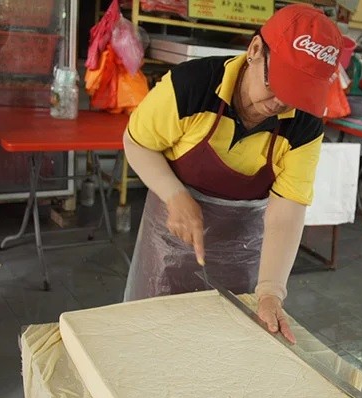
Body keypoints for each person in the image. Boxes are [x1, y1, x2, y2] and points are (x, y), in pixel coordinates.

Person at [122, 4, 344, 344]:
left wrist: (271, 292)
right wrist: (174, 194)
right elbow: (137, 143)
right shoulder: (191, 85)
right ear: (255, 50)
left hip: (241, 249)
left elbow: (287, 210)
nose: (280, 102)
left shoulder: (304, 127)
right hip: (171, 237)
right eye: (277, 83)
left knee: (224, 344)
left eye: (296, 93)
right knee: (153, 337)